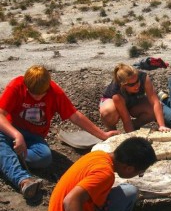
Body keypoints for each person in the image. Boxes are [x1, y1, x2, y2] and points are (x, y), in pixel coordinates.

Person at [0, 65, 119, 200]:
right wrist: (17, 135)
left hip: (34, 137)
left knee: (44, 157)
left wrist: (102, 135)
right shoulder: (16, 85)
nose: (37, 98)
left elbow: (75, 116)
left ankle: (5, 157)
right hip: (9, 130)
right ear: (26, 86)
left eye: (41, 94)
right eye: (33, 94)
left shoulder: (54, 92)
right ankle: (22, 180)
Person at [43, 137, 156, 211]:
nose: (139, 175)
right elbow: (70, 201)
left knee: (130, 191)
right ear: (129, 168)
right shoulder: (105, 174)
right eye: (140, 173)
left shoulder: (99, 155)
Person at [99, 63, 170, 133]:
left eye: (137, 81)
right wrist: (131, 137)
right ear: (123, 85)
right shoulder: (116, 92)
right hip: (114, 103)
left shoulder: (143, 78)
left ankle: (135, 125)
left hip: (132, 100)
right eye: (132, 84)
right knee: (108, 112)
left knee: (154, 109)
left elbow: (155, 102)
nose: (137, 86)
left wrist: (162, 126)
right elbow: (126, 119)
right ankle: (113, 131)